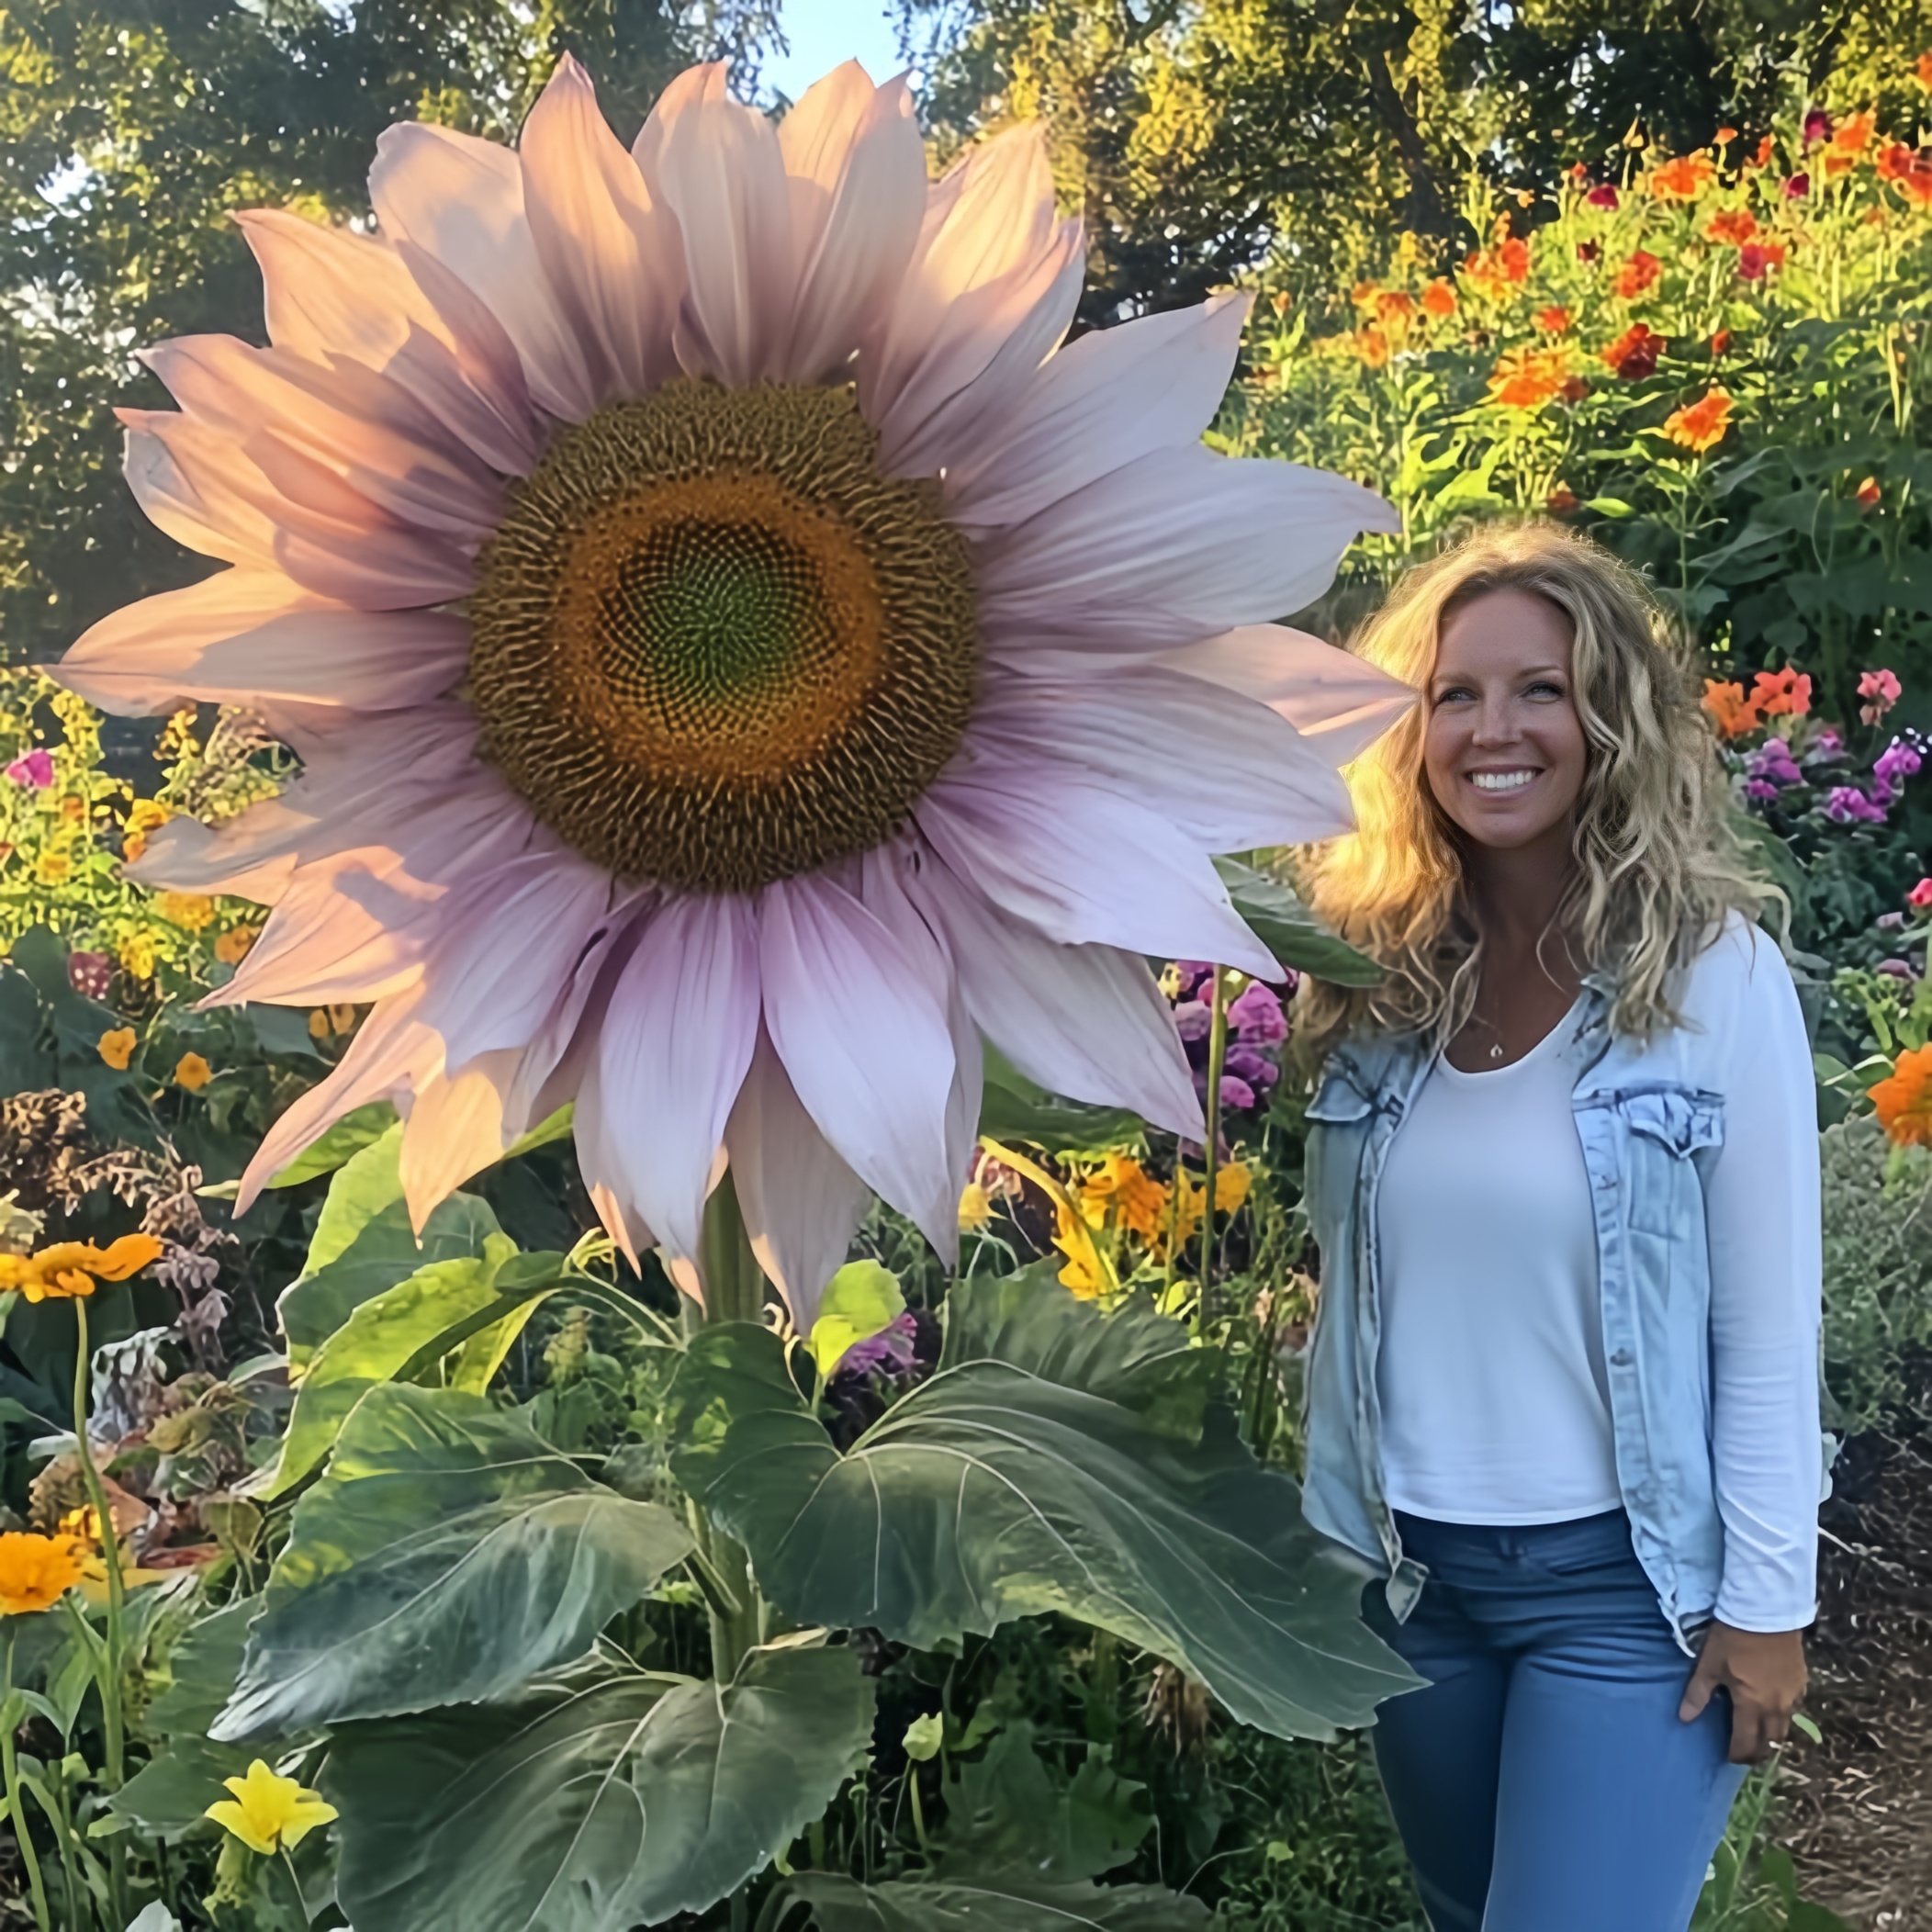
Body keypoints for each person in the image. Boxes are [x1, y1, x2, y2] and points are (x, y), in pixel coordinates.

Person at [1292, 523, 1827, 1932]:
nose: (1494, 730)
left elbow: (1767, 1326)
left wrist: (1769, 1602)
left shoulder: (1716, 981)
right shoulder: (1373, 993)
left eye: (1540, 689)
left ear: (1609, 718)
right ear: (1408, 733)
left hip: (1626, 1593)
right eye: (1455, 696)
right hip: (1414, 1583)